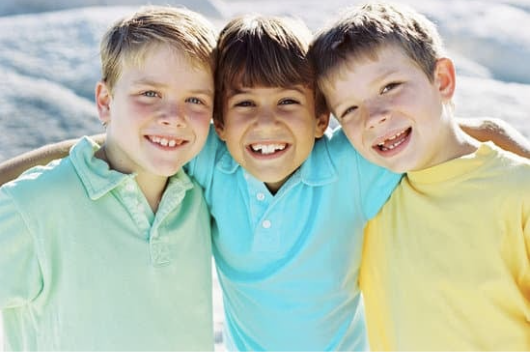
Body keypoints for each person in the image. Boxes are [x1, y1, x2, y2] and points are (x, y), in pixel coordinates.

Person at [0, 12, 527, 352]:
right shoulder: (210, 158)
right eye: (245, 104)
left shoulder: (349, 167)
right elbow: (99, 145)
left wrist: (503, 135)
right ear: (221, 123)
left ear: (323, 120)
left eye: (289, 103)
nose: (267, 123)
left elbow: (436, 135)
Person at [309, 2, 530, 351]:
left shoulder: (519, 192)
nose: (374, 117)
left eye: (389, 87)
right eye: (349, 109)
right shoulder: (367, 197)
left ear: (441, 80)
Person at [0, 6, 217, 351]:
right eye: (150, 94)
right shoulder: (34, 206)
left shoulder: (200, 193)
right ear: (105, 101)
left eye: (195, 99)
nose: (174, 117)